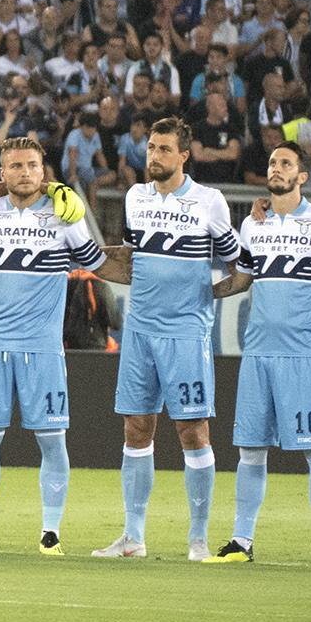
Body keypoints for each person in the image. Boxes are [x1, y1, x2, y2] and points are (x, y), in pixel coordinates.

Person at [89, 117, 238, 559]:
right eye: (151, 148)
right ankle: (133, 537)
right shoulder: (136, 197)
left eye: (164, 149)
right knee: (136, 428)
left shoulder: (209, 201)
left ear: (184, 156)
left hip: (186, 332)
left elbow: (238, 266)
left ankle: (198, 539)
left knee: (193, 431)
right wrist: (81, 256)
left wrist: (206, 298)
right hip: (140, 329)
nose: (154, 156)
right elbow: (130, 262)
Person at [0, 135, 106, 553]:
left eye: (32, 166)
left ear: (44, 171)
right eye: (15, 166)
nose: (24, 173)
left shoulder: (64, 214)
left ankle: (50, 533)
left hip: (43, 348)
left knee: (51, 440)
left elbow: (97, 263)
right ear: (2, 173)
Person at [214, 140, 311, 564]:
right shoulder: (253, 226)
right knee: (250, 451)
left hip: (304, 357)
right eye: (273, 162)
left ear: (302, 176)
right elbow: (241, 279)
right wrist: (202, 293)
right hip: (258, 355)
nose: (276, 168)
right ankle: (242, 541)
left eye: (286, 163)